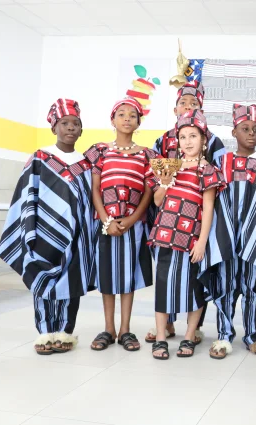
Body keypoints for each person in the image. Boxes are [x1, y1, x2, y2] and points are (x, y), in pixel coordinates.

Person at [0, 99, 94, 355]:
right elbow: (27, 196)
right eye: (64, 123)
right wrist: (30, 229)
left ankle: (65, 332)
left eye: (76, 124)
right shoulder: (40, 158)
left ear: (82, 130)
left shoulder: (85, 164)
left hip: (76, 235)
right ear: (54, 127)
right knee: (43, 279)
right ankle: (44, 333)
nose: (70, 128)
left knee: (71, 282)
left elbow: (88, 201)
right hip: (43, 231)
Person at [146, 80, 227, 344]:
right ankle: (161, 334)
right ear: (176, 140)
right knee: (163, 285)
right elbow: (158, 201)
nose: (188, 141)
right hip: (166, 236)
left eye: (194, 136)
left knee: (194, 287)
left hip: (191, 238)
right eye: (183, 137)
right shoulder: (172, 166)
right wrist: (165, 183)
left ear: (204, 140)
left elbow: (208, 207)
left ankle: (190, 335)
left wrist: (202, 241)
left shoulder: (208, 170)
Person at [86, 98, 157, 352]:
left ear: (139, 122)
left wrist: (132, 219)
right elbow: (95, 189)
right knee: (107, 276)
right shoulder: (101, 151)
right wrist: (107, 220)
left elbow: (149, 192)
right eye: (122, 114)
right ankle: (109, 328)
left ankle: (125, 329)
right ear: (112, 119)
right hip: (106, 224)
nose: (127, 119)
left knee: (127, 277)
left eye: (132, 115)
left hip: (133, 224)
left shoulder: (147, 155)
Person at [208, 104, 256, 360]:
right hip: (225, 235)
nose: (251, 134)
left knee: (252, 288)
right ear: (233, 131)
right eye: (245, 129)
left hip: (254, 236)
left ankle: (253, 336)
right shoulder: (219, 161)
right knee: (225, 287)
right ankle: (224, 336)